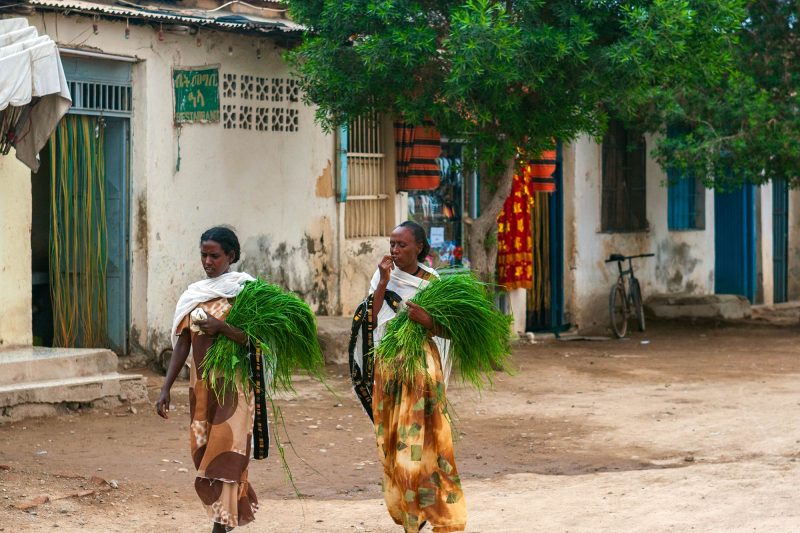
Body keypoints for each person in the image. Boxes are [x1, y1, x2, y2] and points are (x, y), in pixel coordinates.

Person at [350, 220, 466, 533]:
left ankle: (422, 514)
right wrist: (384, 282)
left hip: (420, 370)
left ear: (419, 247)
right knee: (391, 441)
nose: (396, 250)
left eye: (402, 245)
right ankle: (412, 510)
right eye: (392, 244)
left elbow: (450, 330)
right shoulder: (382, 275)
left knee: (417, 443)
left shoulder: (433, 281)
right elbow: (371, 320)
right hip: (388, 367)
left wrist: (427, 320)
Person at [156, 226, 258, 533]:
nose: (208, 262)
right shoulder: (193, 294)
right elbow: (183, 343)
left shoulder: (246, 292)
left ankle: (220, 525)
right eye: (204, 255)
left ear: (231, 256)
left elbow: (255, 340)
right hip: (201, 388)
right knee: (203, 451)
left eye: (215, 255)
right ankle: (227, 516)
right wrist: (165, 388)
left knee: (227, 453)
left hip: (234, 389)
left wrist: (222, 327)